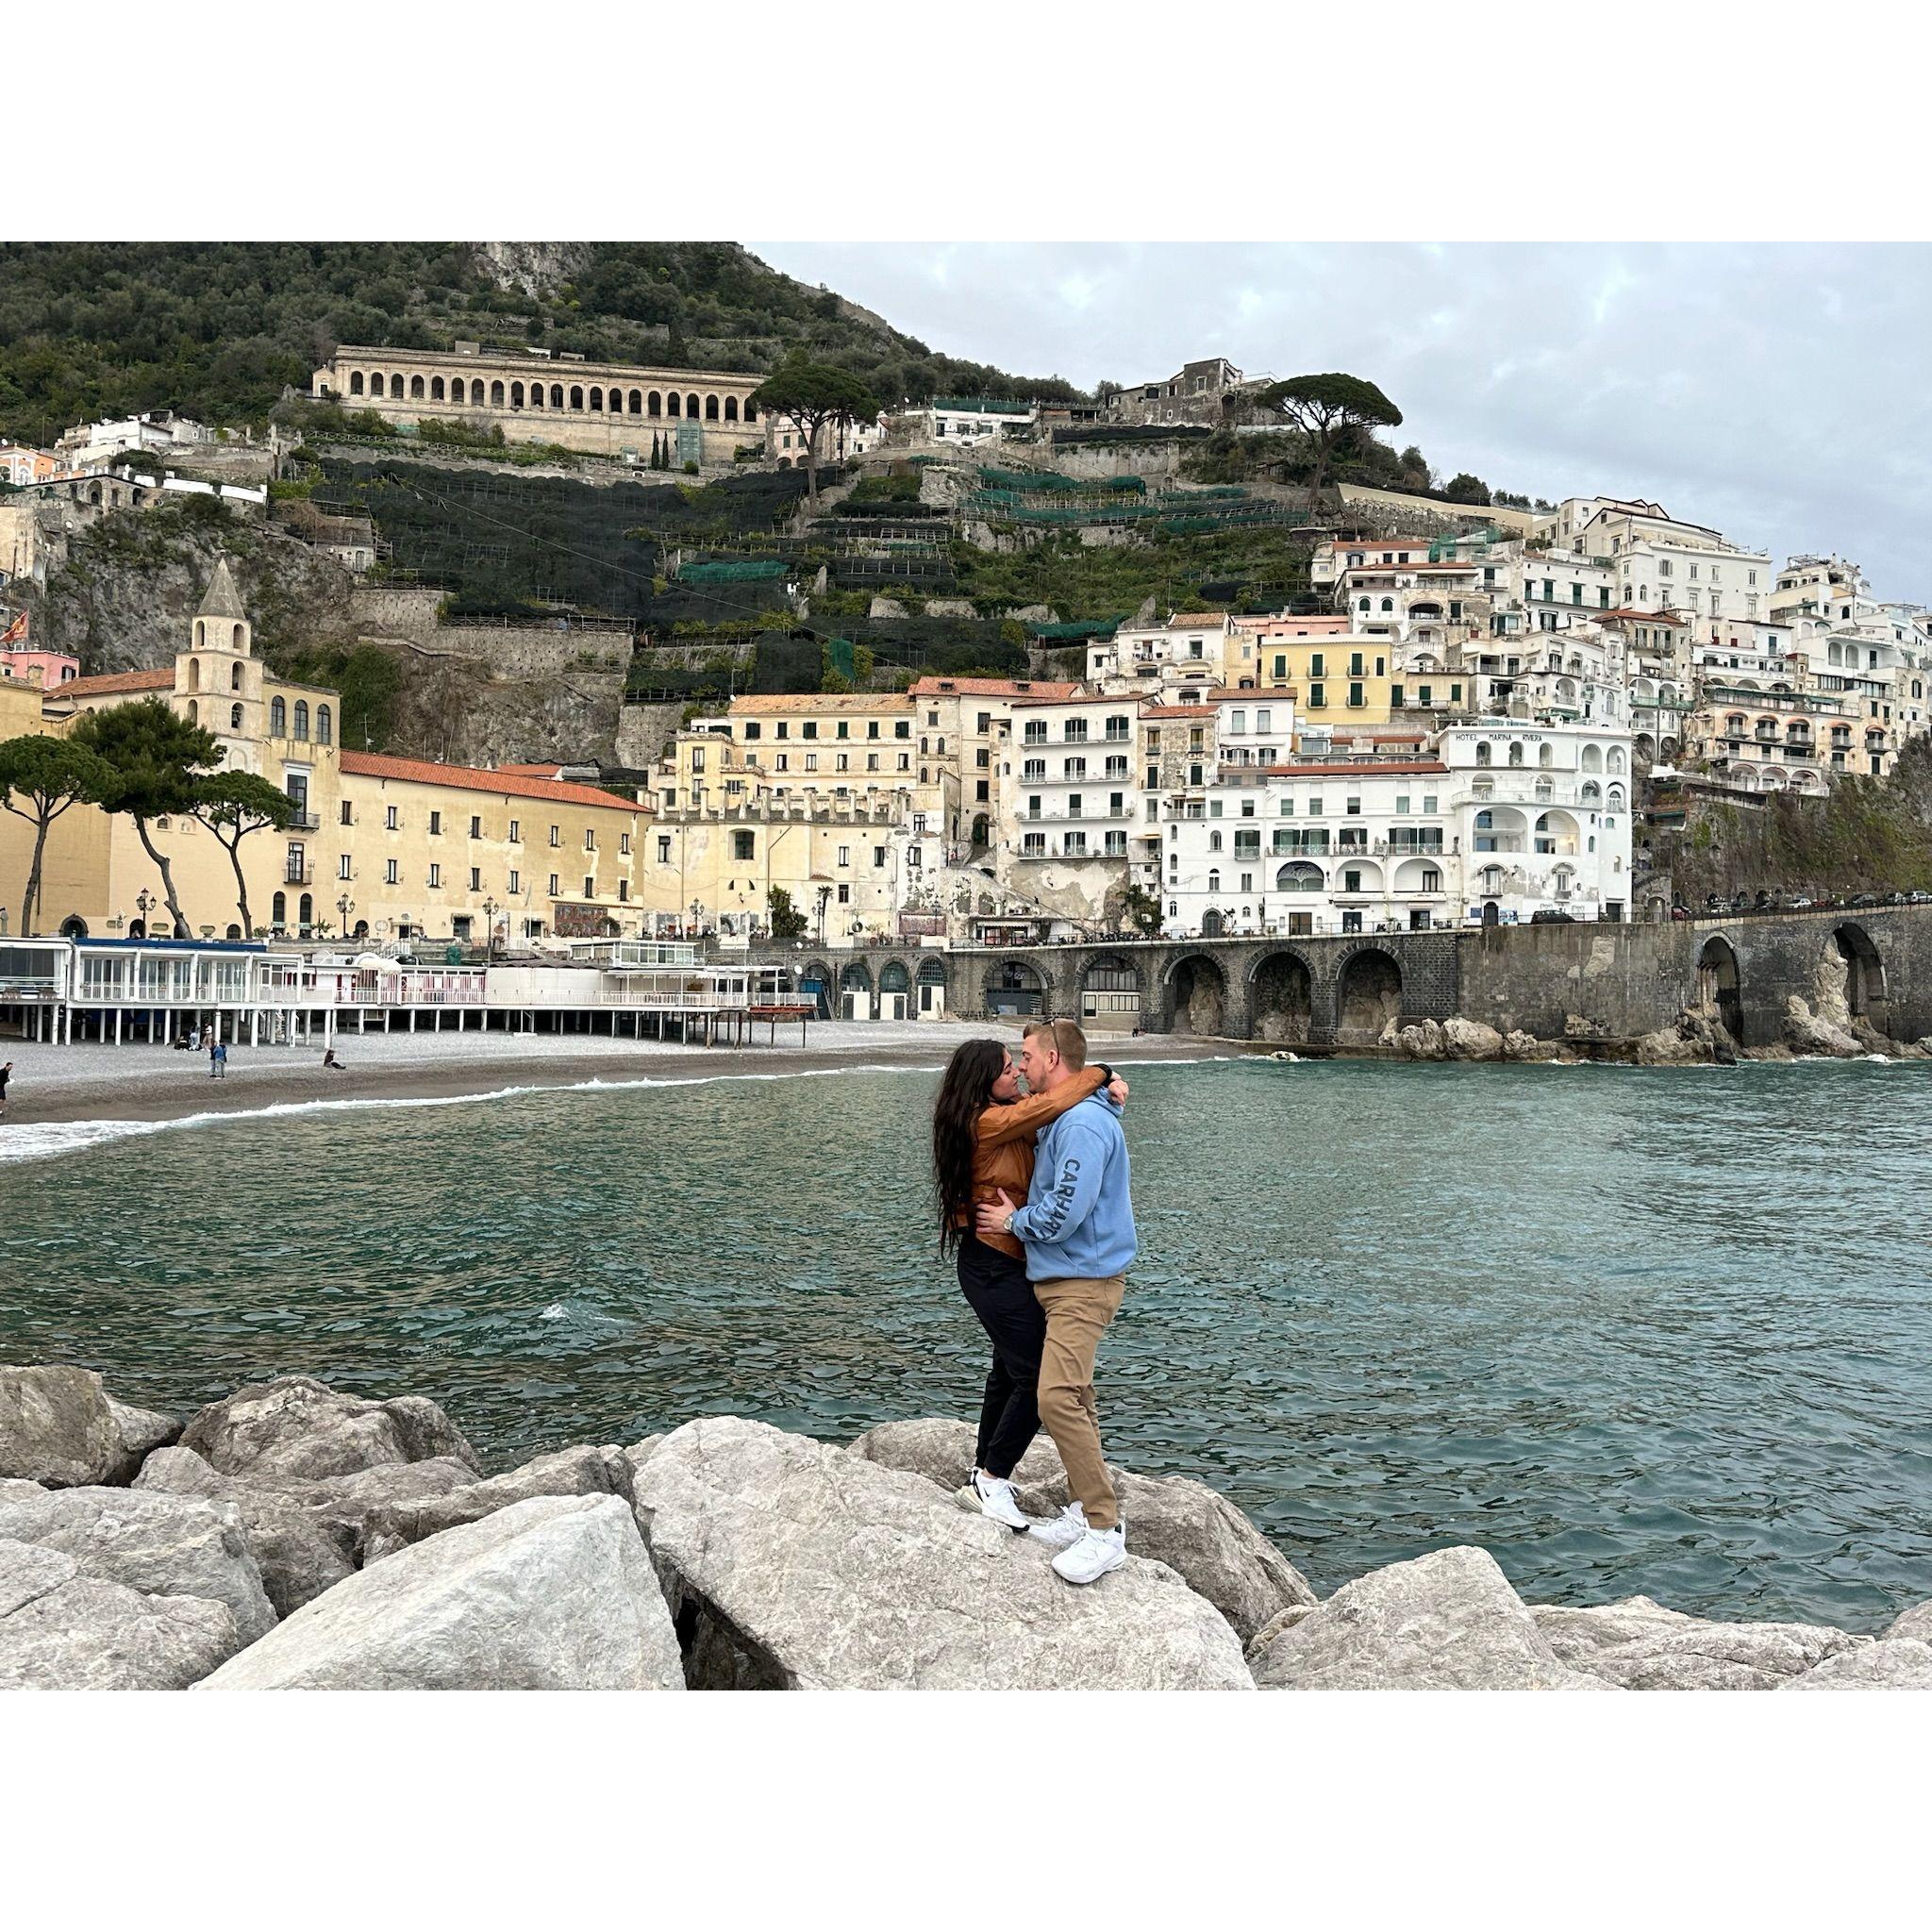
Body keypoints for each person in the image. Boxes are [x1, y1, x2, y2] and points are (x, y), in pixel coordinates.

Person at [931, 1038, 1126, 1533]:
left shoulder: (1003, 1109)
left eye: (1020, 1062)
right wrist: (1102, 1074)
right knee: (1036, 1378)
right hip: (992, 1262)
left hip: (1008, 1261)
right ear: (981, 1078)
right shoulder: (986, 1121)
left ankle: (983, 1472)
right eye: (1006, 1067)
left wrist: (1105, 1098)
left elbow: (1059, 1116)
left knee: (1007, 1369)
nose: (1017, 1072)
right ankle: (993, 1478)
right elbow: (1056, 1101)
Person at [977, 1018, 1137, 1587]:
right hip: (1064, 1279)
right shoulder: (1068, 1118)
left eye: (1026, 1056)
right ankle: (1083, 1510)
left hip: (1082, 1283)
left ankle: (1104, 1530)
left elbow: (1066, 1210)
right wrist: (1108, 1086)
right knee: (1079, 1395)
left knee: (1055, 1397)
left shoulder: (1080, 1127)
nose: (1020, 1067)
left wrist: (1011, 1221)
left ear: (1052, 1059)